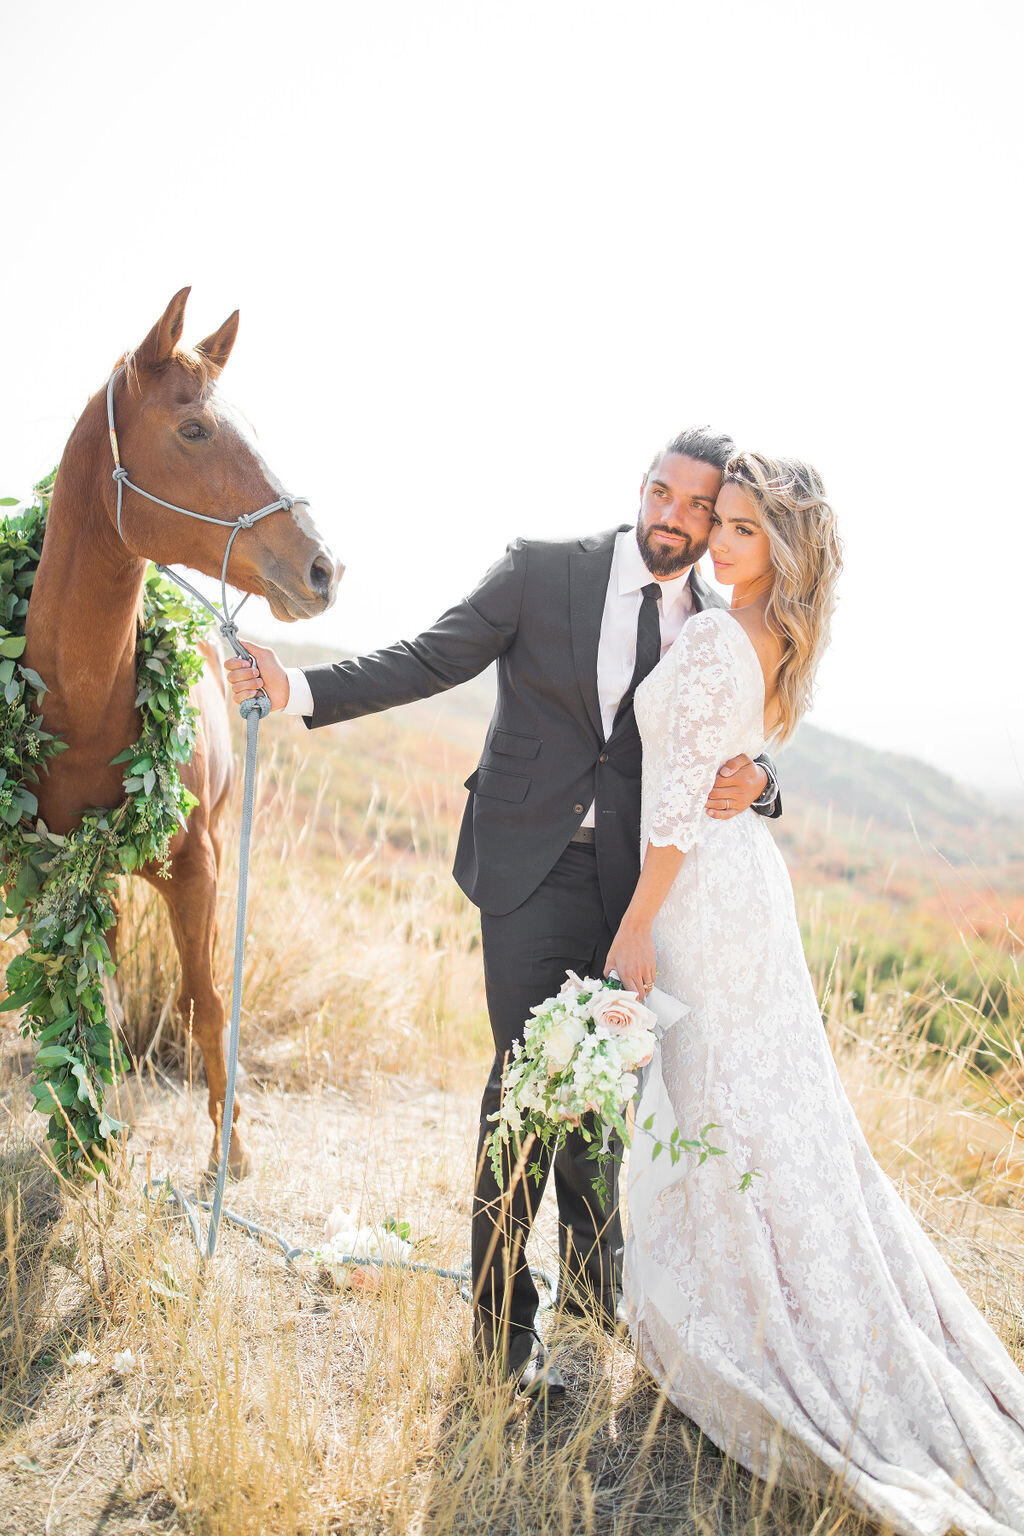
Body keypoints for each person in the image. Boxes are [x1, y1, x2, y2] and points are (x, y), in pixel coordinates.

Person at [224, 427, 781, 1399]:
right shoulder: (543, 571)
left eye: (699, 507)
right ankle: (498, 1320)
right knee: (525, 1083)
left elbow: (740, 734)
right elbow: (429, 658)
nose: (675, 516)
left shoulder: (713, 622)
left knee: (601, 1093)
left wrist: (764, 781)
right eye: (664, 491)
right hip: (530, 868)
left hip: (639, 895)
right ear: (639, 486)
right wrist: (300, 687)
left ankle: (595, 1282)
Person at [605, 452, 1024, 1535]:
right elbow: (730, 769)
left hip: (700, 892)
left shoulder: (713, 634)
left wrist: (639, 919)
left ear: (777, 549)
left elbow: (682, 805)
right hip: (746, 892)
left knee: (722, 1106)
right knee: (763, 1111)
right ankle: (767, 1298)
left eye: (742, 529)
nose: (720, 540)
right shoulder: (777, 633)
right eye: (721, 522)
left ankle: (750, 1327)